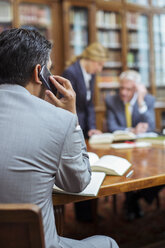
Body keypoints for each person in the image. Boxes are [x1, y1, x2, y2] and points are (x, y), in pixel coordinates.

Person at [0, 28, 119, 248]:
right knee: (109, 242)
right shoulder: (58, 119)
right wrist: (70, 116)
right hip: (36, 243)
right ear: (40, 73)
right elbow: (78, 182)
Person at [105, 70, 161, 221]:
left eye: (128, 89)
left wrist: (141, 101)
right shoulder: (111, 100)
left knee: (159, 172)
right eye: (121, 88)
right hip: (120, 149)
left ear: (136, 89)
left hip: (145, 151)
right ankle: (132, 202)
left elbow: (152, 126)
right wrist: (132, 130)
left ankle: (133, 200)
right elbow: (111, 127)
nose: (123, 92)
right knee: (126, 170)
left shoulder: (148, 100)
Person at [62, 42, 108, 222]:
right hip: (74, 126)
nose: (100, 68)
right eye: (100, 64)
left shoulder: (90, 74)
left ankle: (90, 212)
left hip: (85, 128)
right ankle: (83, 215)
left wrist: (92, 127)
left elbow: (89, 105)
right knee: (79, 167)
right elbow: (69, 105)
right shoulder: (71, 73)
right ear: (90, 59)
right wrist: (79, 128)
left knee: (90, 167)